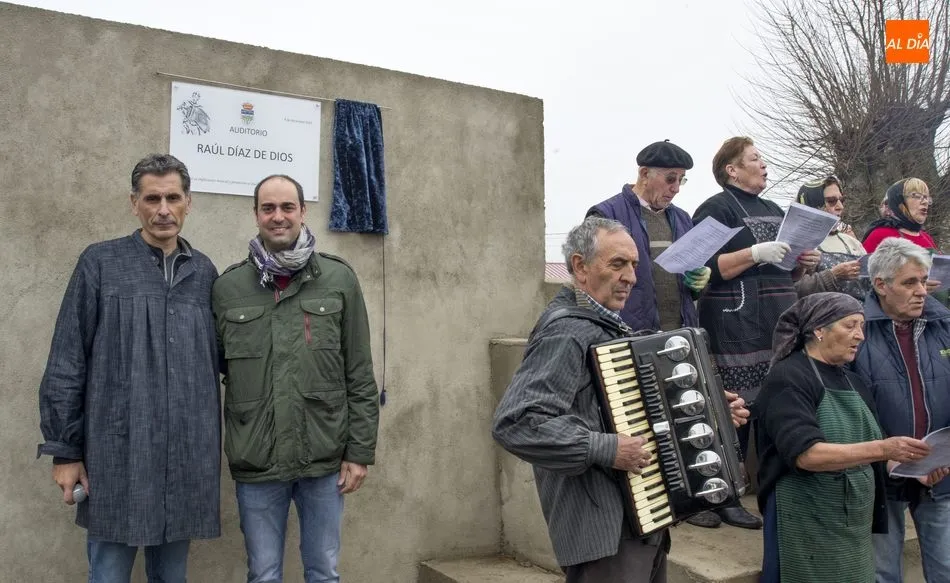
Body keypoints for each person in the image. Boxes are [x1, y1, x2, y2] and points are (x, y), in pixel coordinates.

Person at [492, 217, 748, 583]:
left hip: (644, 518)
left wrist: (709, 410)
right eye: (617, 264)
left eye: (633, 265)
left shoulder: (607, 328)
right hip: (605, 532)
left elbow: (632, 407)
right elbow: (516, 424)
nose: (630, 276)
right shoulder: (566, 332)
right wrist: (608, 449)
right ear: (580, 266)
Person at [37, 154, 221, 582]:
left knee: (171, 577)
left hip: (184, 461)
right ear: (133, 202)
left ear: (188, 202)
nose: (163, 209)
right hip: (117, 456)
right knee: (108, 575)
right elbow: (67, 360)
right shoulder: (101, 263)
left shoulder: (204, 273)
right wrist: (65, 450)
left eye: (173, 197)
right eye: (152, 198)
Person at [213, 174, 379, 583]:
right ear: (255, 215)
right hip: (257, 461)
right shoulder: (227, 288)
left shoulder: (339, 280)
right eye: (268, 208)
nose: (278, 216)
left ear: (303, 212)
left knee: (323, 572)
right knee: (264, 574)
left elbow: (359, 372)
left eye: (287, 207)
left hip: (322, 458)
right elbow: (217, 369)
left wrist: (359, 452)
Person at [756, 292, 935, 583]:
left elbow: (876, 451)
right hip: (805, 519)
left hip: (851, 524)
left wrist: (913, 469)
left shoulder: (854, 381)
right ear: (819, 330)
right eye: (850, 325)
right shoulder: (788, 377)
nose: (860, 336)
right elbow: (807, 455)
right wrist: (884, 448)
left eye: (862, 326)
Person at [689, 136, 821, 529]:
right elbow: (705, 265)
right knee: (736, 412)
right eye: (755, 158)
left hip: (777, 322)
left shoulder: (774, 209)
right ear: (732, 169)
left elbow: (787, 271)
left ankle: (773, 492)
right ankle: (723, 495)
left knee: (772, 409)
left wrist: (803, 262)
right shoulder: (714, 208)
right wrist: (754, 253)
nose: (763, 164)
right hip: (735, 324)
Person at [852, 238, 950, 583]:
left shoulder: (943, 325)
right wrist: (888, 458)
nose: (922, 291)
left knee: (947, 567)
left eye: (923, 281)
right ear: (881, 284)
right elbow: (849, 410)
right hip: (882, 477)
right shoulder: (855, 330)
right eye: (910, 282)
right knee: (882, 573)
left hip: (941, 475)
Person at [586, 139, 710, 332]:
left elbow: (686, 286)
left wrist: (696, 284)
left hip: (679, 336)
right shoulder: (606, 215)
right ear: (644, 174)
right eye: (670, 178)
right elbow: (590, 280)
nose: (676, 188)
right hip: (628, 335)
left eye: (681, 179)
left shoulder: (683, 218)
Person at [793, 175, 869, 300]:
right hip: (824, 317)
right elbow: (793, 290)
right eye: (831, 201)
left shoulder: (852, 242)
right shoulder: (797, 243)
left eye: (841, 200)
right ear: (813, 204)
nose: (840, 206)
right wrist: (833, 276)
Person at [863, 178, 936, 253]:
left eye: (926, 197)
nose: (925, 202)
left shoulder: (927, 238)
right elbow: (862, 263)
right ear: (899, 200)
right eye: (916, 195)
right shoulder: (880, 235)